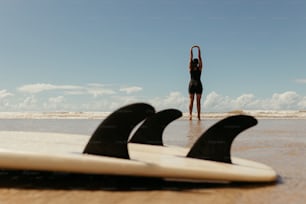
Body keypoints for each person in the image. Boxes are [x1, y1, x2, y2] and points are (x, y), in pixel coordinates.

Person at [188, 45, 203, 120]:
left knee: (191, 101)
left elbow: (190, 58)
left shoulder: (190, 68)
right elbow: (200, 59)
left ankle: (190, 115)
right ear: (197, 63)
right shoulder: (200, 68)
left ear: (193, 63)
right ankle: (198, 116)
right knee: (198, 102)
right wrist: (199, 50)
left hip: (191, 84)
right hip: (198, 84)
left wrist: (191, 50)